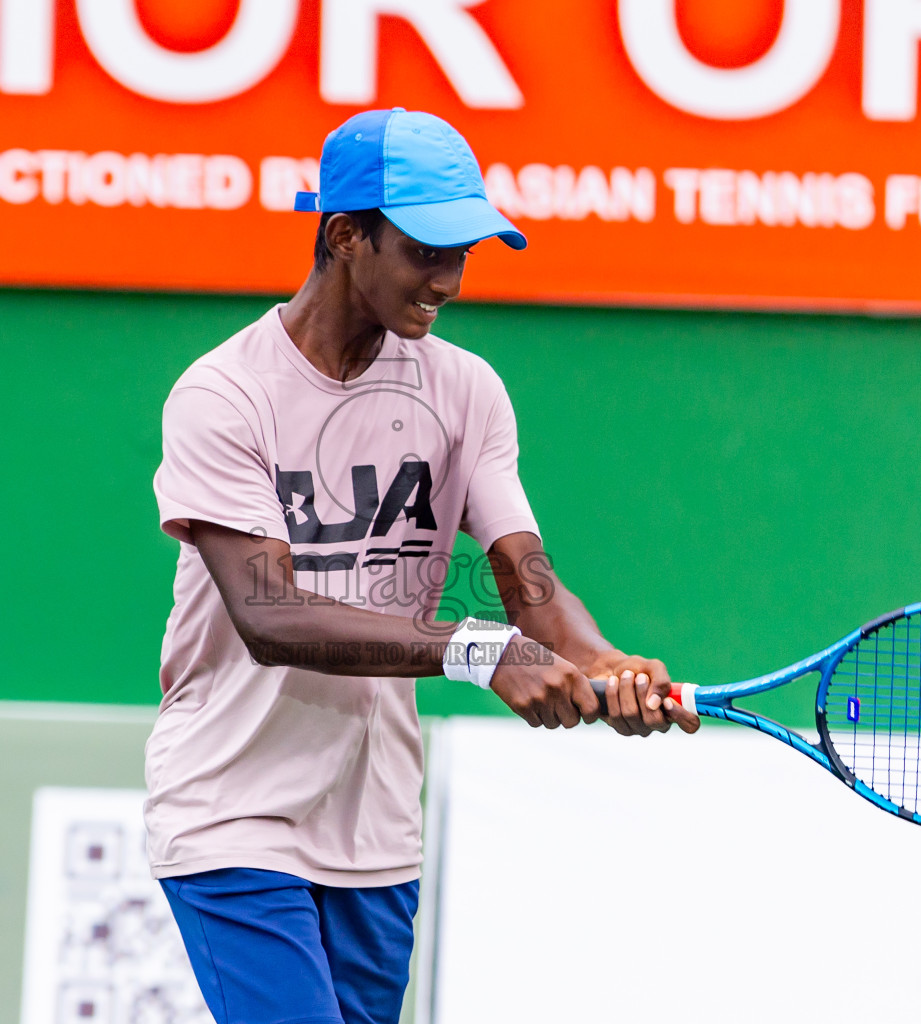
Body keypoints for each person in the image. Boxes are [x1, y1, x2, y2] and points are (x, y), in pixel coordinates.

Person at [147, 108, 699, 1024]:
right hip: (231, 812)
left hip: (375, 832)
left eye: (463, 253)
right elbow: (269, 614)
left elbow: (526, 578)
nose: (447, 279)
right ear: (345, 237)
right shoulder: (223, 395)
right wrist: (479, 651)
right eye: (425, 251)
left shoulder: (466, 389)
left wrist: (602, 661)